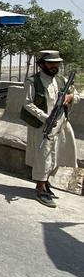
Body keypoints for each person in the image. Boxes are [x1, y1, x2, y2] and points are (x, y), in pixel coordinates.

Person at [20, 50, 80, 208]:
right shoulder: (33, 81)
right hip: (43, 125)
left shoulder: (62, 79)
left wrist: (70, 97)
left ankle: (46, 183)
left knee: (59, 153)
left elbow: (77, 95)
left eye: (57, 63)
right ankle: (40, 189)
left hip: (61, 123)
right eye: (51, 63)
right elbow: (27, 103)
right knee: (43, 156)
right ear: (42, 64)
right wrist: (45, 117)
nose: (54, 66)